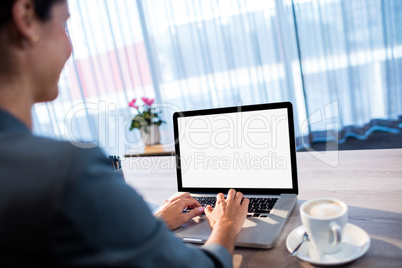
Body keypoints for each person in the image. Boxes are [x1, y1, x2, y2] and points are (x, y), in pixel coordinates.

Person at [0, 0, 249, 267]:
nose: (70, 47)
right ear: (26, 18)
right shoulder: (68, 171)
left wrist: (150, 226)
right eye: (64, 24)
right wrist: (227, 224)